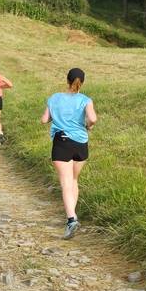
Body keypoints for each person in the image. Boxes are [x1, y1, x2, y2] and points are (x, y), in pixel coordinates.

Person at [41, 67, 97, 239]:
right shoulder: (86, 100)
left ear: (67, 80)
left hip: (62, 142)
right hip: (81, 143)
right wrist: (88, 126)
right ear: (82, 82)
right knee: (73, 180)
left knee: (65, 183)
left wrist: (55, 117)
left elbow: (44, 120)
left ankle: (71, 220)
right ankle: (73, 215)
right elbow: (93, 119)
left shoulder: (55, 98)